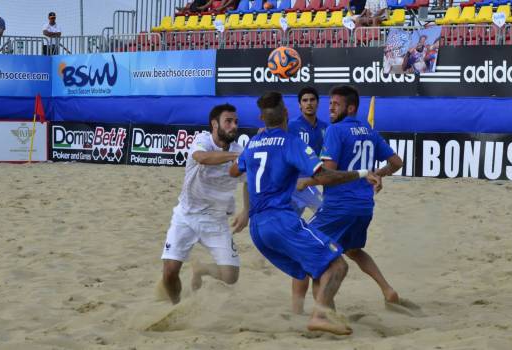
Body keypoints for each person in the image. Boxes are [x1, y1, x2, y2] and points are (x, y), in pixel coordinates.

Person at [229, 91, 382, 335]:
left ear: (261, 118)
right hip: (281, 221)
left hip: (258, 230)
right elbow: (324, 176)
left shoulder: (253, 143)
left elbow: (234, 172)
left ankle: (318, 313)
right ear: (287, 113)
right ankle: (319, 316)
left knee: (318, 266)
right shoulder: (291, 141)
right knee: (338, 266)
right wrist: (362, 173)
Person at [292, 85, 407, 315]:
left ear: (351, 107)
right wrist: (376, 175)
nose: (331, 108)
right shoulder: (368, 130)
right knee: (353, 251)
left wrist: (308, 182)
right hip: (364, 207)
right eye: (330, 103)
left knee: (303, 250)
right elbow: (397, 162)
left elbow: (329, 175)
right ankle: (388, 290)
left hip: (338, 206)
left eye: (336, 104)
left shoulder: (335, 131)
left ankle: (301, 313)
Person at [160, 104, 249, 305]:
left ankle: (201, 269)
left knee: (231, 276)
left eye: (236, 122)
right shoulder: (202, 141)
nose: (234, 126)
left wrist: (246, 211)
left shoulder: (239, 150)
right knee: (170, 272)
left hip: (216, 221)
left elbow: (248, 182)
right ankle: (176, 306)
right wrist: (238, 157)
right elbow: (202, 158)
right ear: (214, 124)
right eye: (228, 121)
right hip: (186, 216)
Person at [287, 87, 328, 216]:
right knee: (325, 211)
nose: (309, 103)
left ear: (317, 103)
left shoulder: (325, 127)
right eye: (305, 100)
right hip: (295, 180)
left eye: (312, 100)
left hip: (311, 180)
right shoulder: (291, 126)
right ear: (300, 105)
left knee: (292, 222)